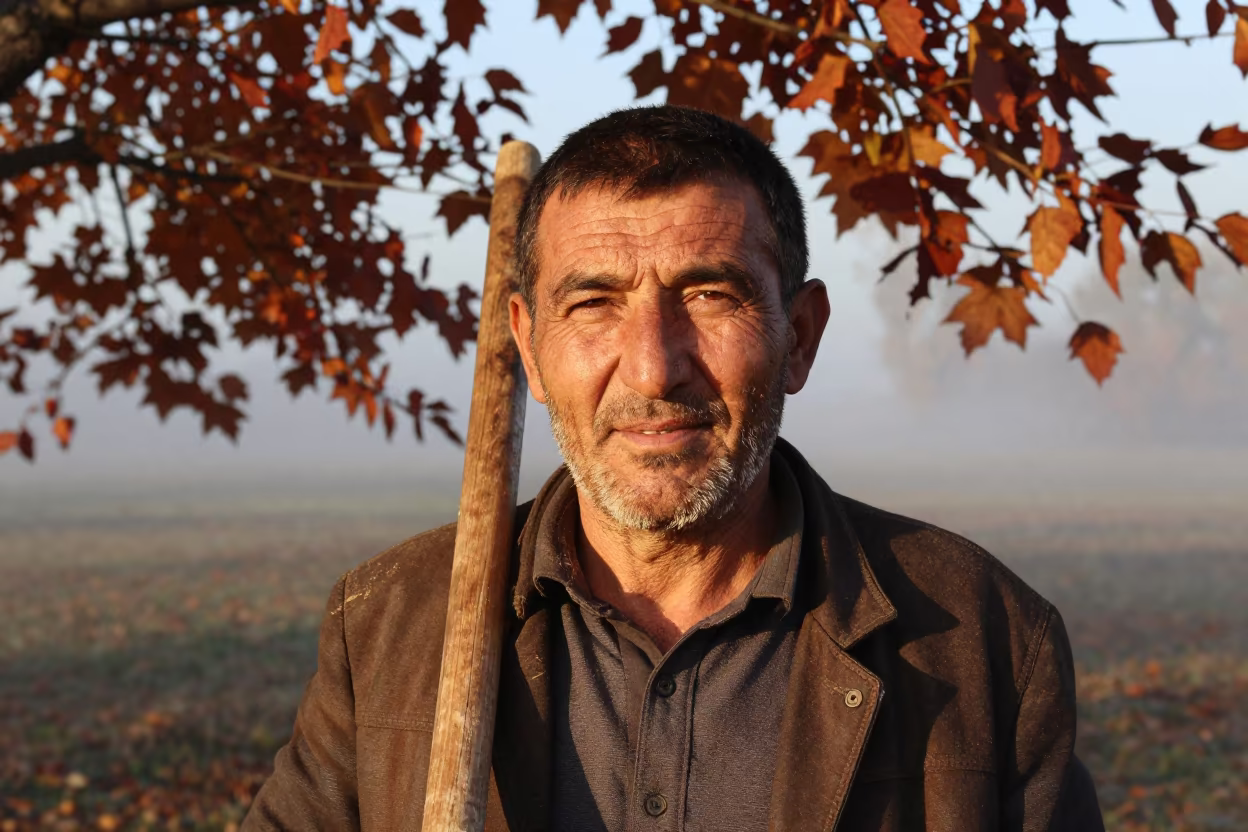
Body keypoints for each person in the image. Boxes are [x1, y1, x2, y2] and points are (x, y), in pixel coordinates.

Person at [242, 105, 1104, 831]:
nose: (654, 369)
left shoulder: (985, 640)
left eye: (709, 295)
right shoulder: (386, 626)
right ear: (529, 351)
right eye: (594, 303)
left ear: (799, 337)